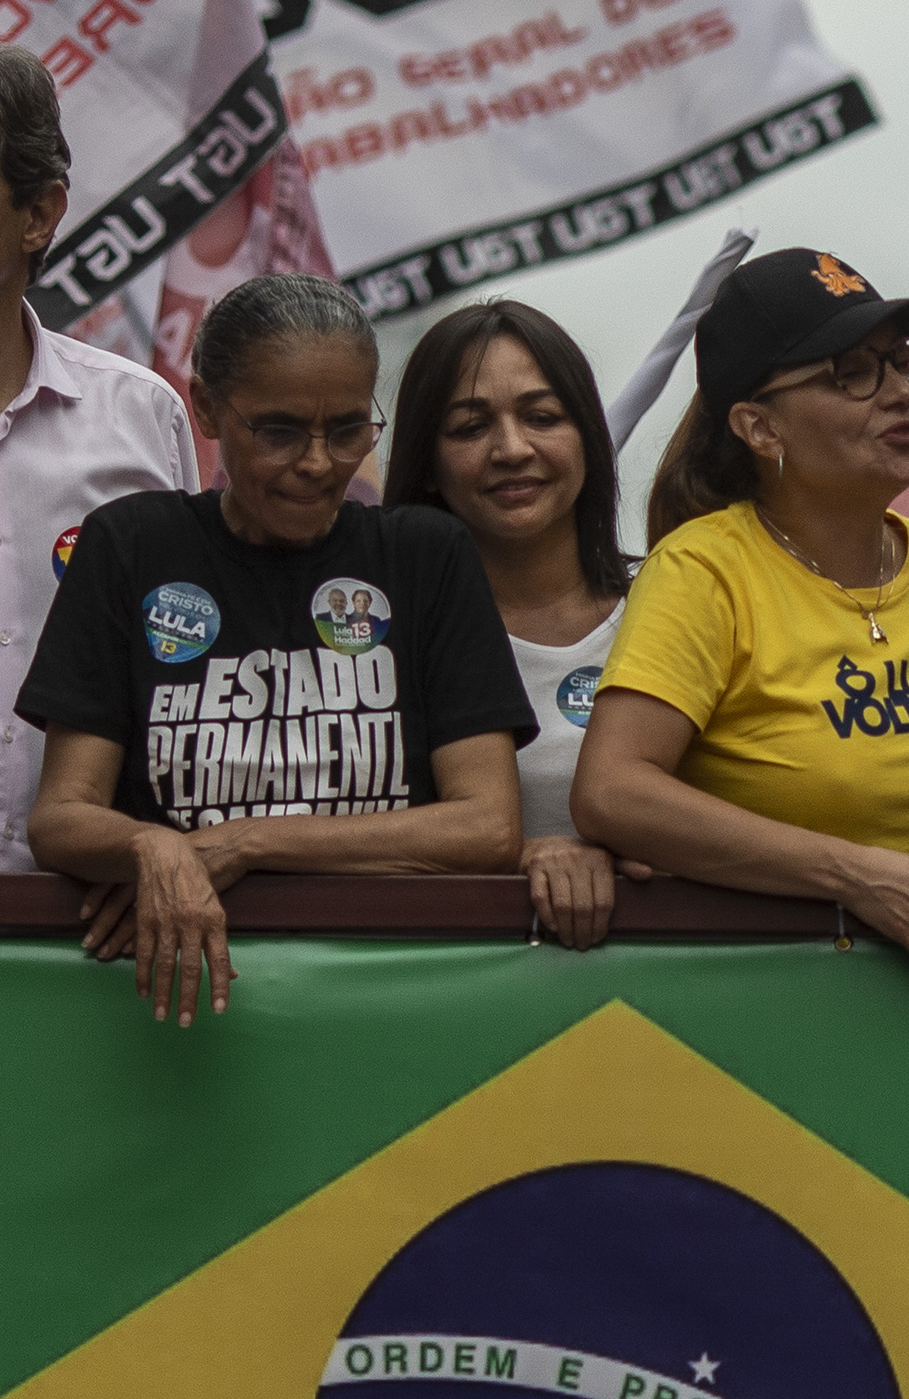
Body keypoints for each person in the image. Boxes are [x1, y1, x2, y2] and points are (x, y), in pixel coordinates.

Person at [16, 274, 531, 1026]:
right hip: (176, 1008)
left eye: (348, 430)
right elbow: (62, 818)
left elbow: (487, 827)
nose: (319, 463)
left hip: (394, 996)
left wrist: (239, 845)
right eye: (280, 431)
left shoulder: (425, 554)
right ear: (205, 409)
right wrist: (153, 852)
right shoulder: (131, 545)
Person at [569, 247, 909, 986]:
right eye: (852, 373)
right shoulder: (703, 572)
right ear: (760, 428)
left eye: (903, 360)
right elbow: (612, 792)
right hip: (782, 1013)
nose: (902, 392)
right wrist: (855, 878)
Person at [0, 51, 200, 880]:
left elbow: (190, 661)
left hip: (93, 915)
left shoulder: (141, 415)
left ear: (40, 213)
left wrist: (144, 847)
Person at [387, 299, 633, 950]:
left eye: (542, 418)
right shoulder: (380, 640)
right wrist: (519, 855)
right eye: (470, 428)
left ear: (588, 437)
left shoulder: (676, 603)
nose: (512, 449)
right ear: (426, 462)